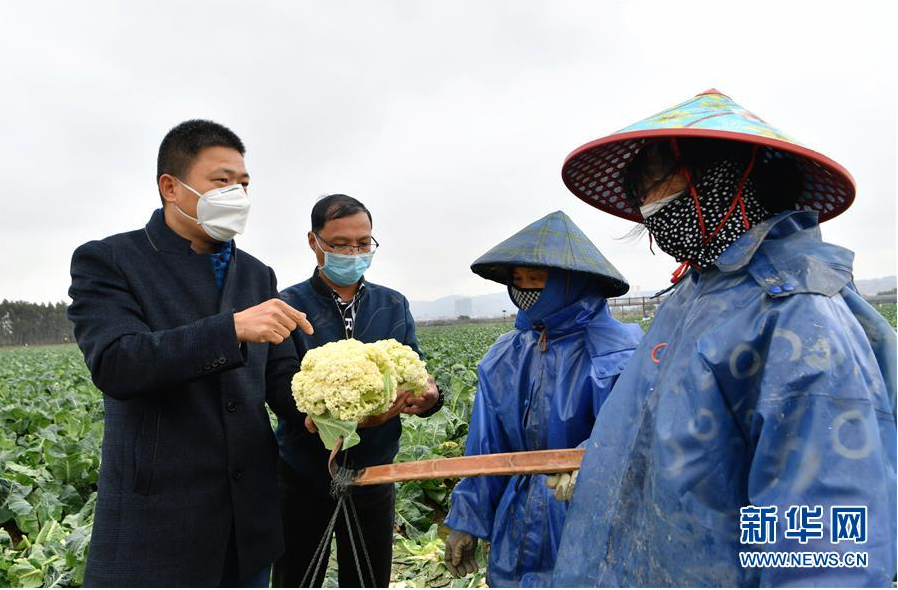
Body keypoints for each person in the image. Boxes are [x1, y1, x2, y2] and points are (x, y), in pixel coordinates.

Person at [552, 89, 897, 586]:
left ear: (726, 176)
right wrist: (603, 454)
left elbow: (821, 549)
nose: (647, 206)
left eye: (655, 183)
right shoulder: (693, 297)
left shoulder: (796, 315)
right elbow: (671, 420)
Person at [67, 119, 313, 587]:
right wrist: (232, 328)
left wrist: (328, 411)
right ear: (171, 187)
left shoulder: (257, 274)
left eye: (243, 184)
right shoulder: (111, 260)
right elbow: (118, 363)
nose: (237, 194)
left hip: (249, 524)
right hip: (159, 526)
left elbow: (283, 378)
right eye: (221, 181)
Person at [442, 210, 643, 587]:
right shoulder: (505, 355)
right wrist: (467, 520)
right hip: (516, 518)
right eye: (517, 280)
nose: (525, 289)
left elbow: (630, 436)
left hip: (586, 512)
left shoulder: (617, 352)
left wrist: (583, 462)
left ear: (573, 282)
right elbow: (487, 447)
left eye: (536, 279)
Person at [273, 194, 442, 588]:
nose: (354, 252)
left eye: (363, 243)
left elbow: (415, 368)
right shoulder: (288, 305)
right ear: (314, 242)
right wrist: (330, 418)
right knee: (296, 576)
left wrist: (431, 397)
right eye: (340, 244)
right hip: (303, 474)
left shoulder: (392, 304)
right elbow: (280, 385)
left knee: (368, 578)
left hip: (374, 471)